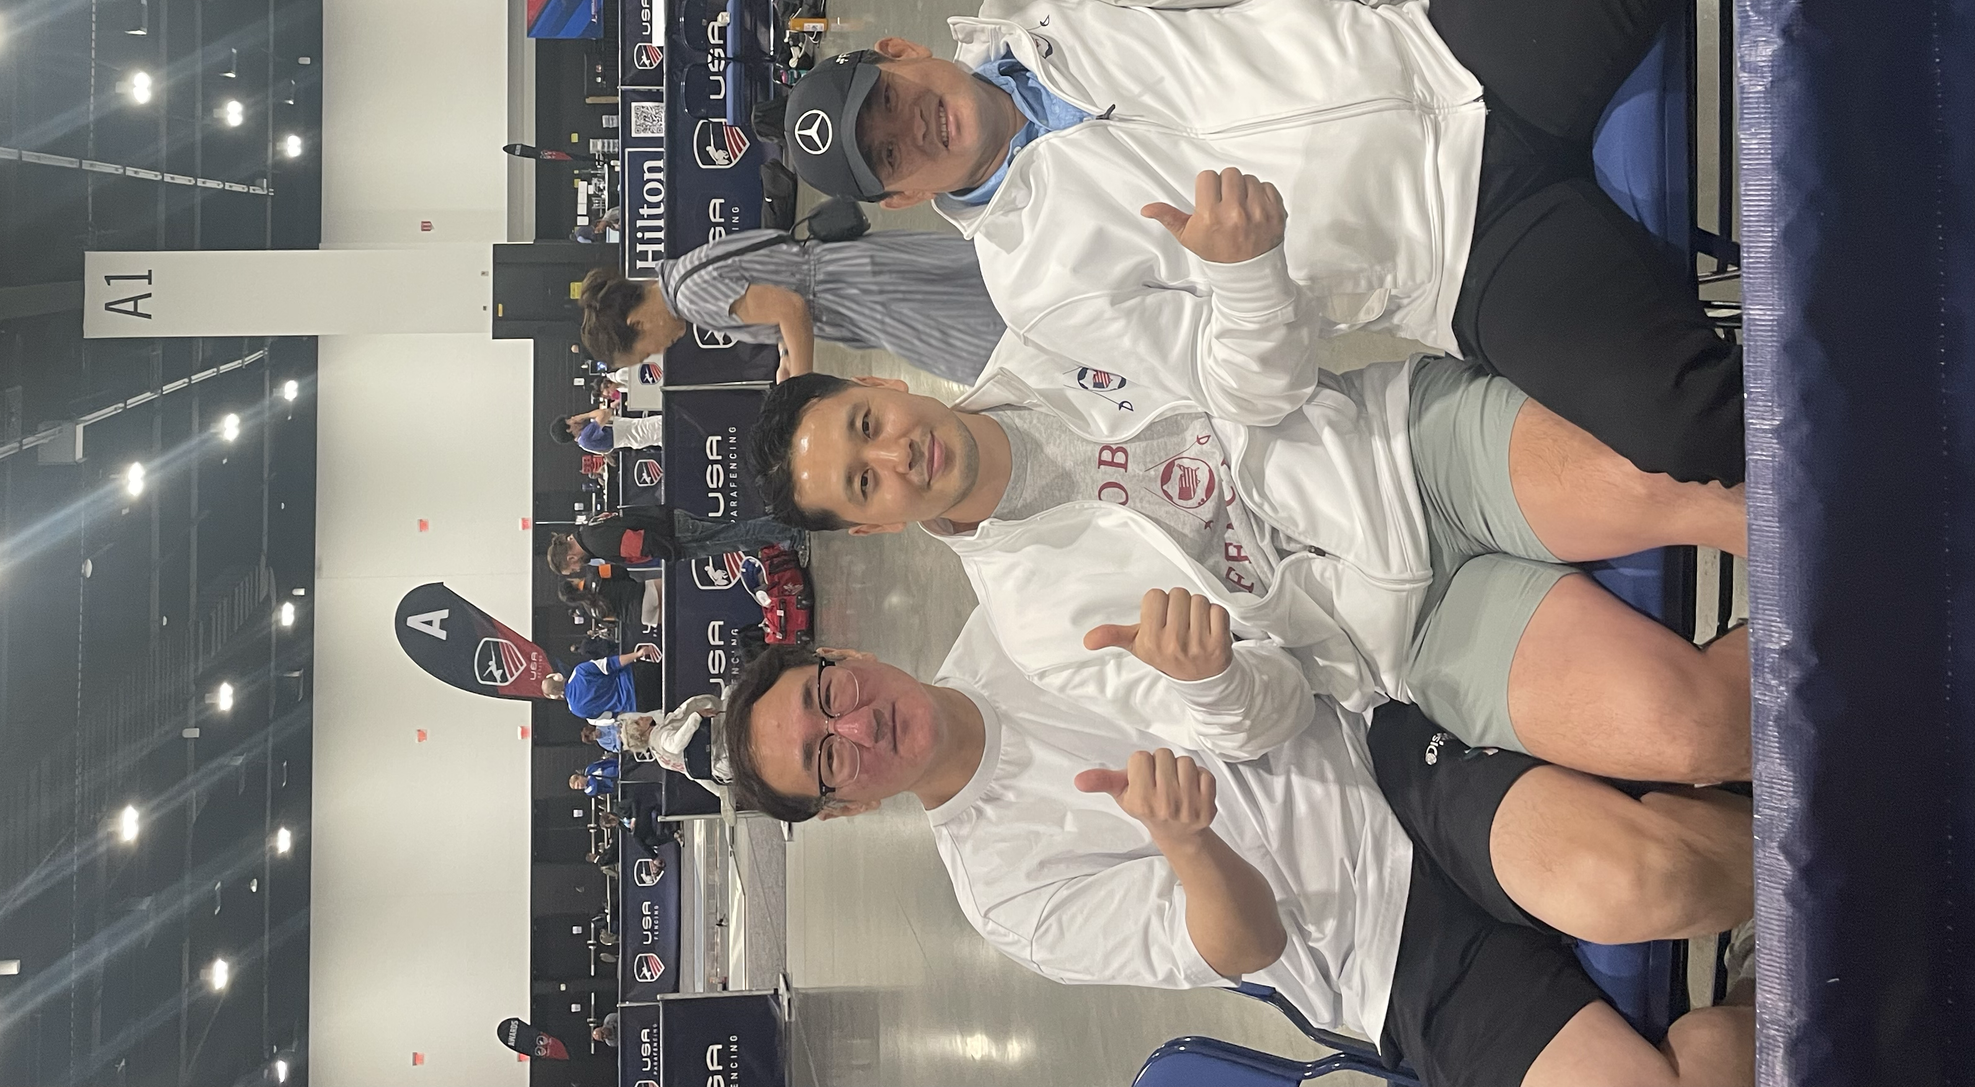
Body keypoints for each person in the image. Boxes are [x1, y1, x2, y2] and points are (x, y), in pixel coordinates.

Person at [778, 0, 1740, 487]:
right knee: (1685, 429)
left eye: (889, 99)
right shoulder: (1036, 285)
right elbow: (1249, 398)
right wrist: (1245, 275)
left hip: (1449, 47)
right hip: (1464, 255)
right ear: (902, 198)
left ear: (900, 49)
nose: (912, 127)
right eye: (890, 154)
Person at [723, 637, 1753, 1087]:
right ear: (842, 808)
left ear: (842, 654)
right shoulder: (1007, 896)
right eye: (827, 760)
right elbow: (1247, 944)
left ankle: (1841, 833)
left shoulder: (1021, 628)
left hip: (1383, 775)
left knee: (1637, 880)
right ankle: (1793, 975)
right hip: (1380, 961)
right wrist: (1187, 844)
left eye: (828, 695)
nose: (856, 726)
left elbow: (1268, 662)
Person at [746, 337, 1747, 785]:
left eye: (867, 425)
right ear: (873, 531)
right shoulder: (1039, 625)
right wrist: (1215, 681)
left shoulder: (1052, 330)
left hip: (1402, 456)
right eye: (863, 485)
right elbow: (1268, 720)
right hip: (1407, 636)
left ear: (879, 383)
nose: (894, 456)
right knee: (1692, 733)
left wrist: (1245, 279)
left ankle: (1877, 540)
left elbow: (1269, 345)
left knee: (1681, 498)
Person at [574, 229, 1007, 386]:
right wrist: (786, 356)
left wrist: (800, 385)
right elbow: (778, 303)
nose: (661, 350)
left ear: (638, 321)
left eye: (646, 349)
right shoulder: (686, 270)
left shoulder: (691, 297)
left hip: (858, 295)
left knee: (982, 345)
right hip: (856, 268)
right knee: (987, 273)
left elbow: (791, 308)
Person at [546, 504, 805, 577]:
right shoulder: (590, 526)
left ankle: (788, 529)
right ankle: (783, 529)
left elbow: (642, 543)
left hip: (676, 536)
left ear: (570, 557)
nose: (578, 569)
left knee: (735, 537)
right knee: (735, 532)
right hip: (670, 521)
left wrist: (672, 554)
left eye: (572, 568)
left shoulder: (597, 543)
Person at [547, 641, 665, 723]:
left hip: (637, 703)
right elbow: (612, 663)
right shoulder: (580, 671)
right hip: (637, 676)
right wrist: (637, 654)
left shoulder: (578, 711)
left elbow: (611, 716)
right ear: (557, 677)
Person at [555, 404, 664, 454]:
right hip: (639, 432)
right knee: (666, 426)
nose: (573, 419)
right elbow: (603, 413)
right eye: (569, 420)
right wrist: (583, 416)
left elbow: (608, 412)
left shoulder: (584, 441)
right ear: (568, 429)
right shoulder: (585, 437)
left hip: (636, 432)